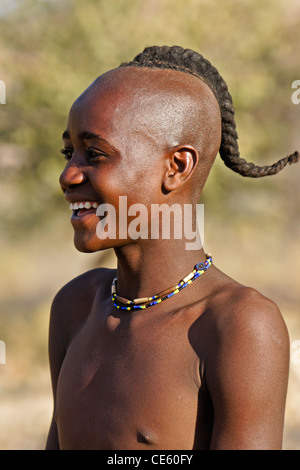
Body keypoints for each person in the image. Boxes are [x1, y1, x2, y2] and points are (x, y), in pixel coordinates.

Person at [46, 46, 298, 450]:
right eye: (68, 152)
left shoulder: (236, 326)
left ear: (176, 167)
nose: (67, 175)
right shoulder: (75, 307)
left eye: (94, 153)